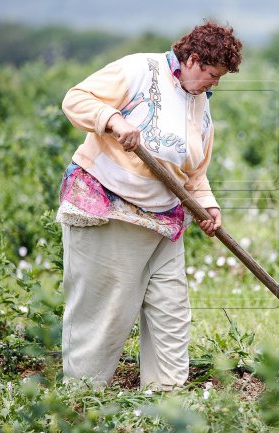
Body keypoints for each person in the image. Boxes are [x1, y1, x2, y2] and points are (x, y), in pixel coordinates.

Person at [56, 21, 243, 390]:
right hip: (112, 211)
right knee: (105, 313)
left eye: (219, 78)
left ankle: (165, 399)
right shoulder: (141, 70)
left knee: (171, 311)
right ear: (191, 59)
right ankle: (80, 400)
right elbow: (75, 99)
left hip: (164, 223)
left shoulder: (200, 103)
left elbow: (193, 171)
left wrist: (207, 205)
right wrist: (112, 119)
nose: (213, 84)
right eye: (211, 74)